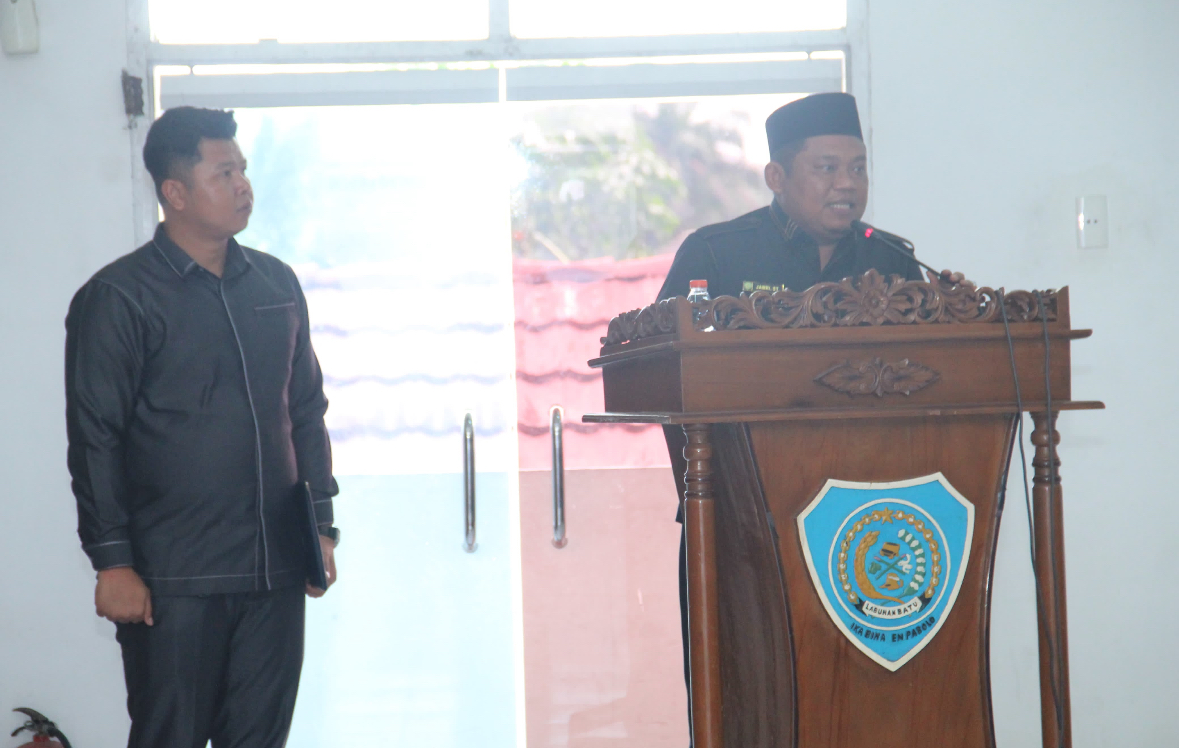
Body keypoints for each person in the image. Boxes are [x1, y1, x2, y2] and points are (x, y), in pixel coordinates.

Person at [64, 106, 340, 748]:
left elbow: (305, 409)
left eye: (243, 169)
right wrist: (112, 562)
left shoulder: (275, 283)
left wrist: (321, 528)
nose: (243, 185)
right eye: (224, 173)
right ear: (176, 192)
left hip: (274, 571)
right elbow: (96, 438)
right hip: (173, 581)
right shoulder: (119, 298)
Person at [657, 92, 923, 743]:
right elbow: (664, 373)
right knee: (745, 697)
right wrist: (709, 492)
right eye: (827, 168)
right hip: (740, 526)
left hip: (860, 526)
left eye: (857, 168)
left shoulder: (891, 261)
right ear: (776, 176)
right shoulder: (717, 256)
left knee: (858, 699)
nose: (847, 184)